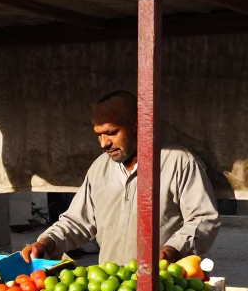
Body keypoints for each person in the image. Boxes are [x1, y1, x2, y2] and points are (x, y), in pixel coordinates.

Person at [21, 90, 220, 266]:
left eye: (111, 133)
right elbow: (76, 221)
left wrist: (172, 250)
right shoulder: (99, 168)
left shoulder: (178, 162)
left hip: (166, 284)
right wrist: (47, 242)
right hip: (112, 287)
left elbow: (203, 219)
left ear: (136, 126)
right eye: (99, 135)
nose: (103, 144)